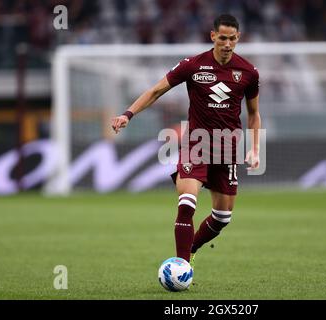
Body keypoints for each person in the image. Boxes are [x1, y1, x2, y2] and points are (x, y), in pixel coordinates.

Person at [111, 14, 261, 268]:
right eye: (222, 38)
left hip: (228, 147)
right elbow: (156, 90)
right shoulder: (193, 65)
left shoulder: (248, 72)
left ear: (238, 39)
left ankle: (190, 248)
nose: (227, 43)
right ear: (213, 36)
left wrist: (255, 148)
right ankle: (181, 265)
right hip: (197, 143)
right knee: (187, 204)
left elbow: (254, 114)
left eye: (232, 39)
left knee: (222, 217)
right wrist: (128, 114)